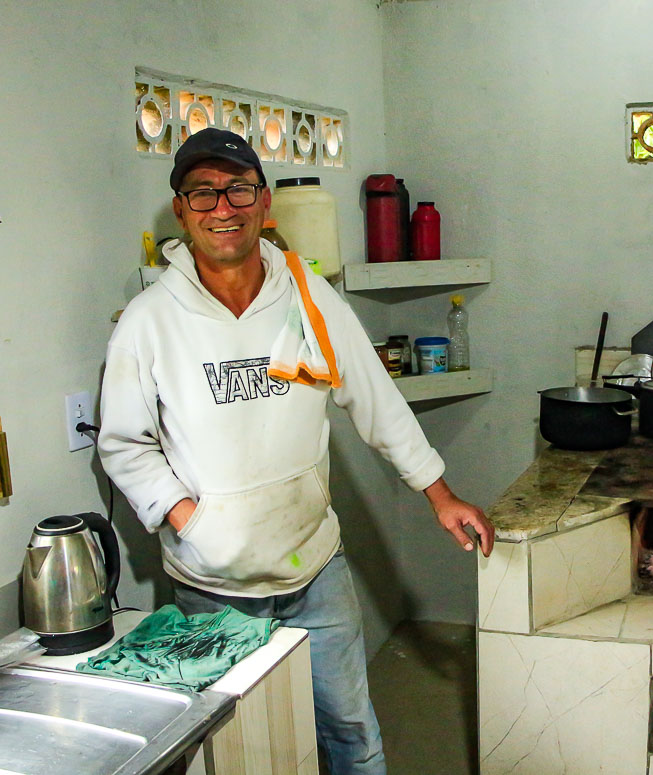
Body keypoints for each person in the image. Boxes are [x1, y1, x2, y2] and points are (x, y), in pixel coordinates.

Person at [98, 127, 494, 774]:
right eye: (203, 193)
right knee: (244, 752)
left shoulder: (308, 295)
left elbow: (373, 396)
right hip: (212, 584)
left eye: (238, 189)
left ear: (264, 203)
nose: (222, 207)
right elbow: (124, 444)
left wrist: (439, 491)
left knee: (352, 736)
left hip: (315, 566)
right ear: (181, 210)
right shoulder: (150, 320)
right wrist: (189, 520)